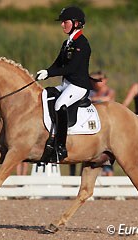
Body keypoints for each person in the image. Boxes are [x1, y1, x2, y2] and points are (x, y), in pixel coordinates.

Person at [36, 6, 92, 162]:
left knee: (60, 104)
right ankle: (47, 135)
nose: (62, 25)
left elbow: (71, 67)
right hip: (67, 84)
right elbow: (58, 64)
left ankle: (60, 147)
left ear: (76, 23)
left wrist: (51, 73)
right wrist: (46, 72)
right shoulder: (67, 43)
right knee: (45, 93)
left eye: (64, 22)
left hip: (79, 86)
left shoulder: (82, 43)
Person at [90, 71, 115, 176]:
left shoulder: (109, 91)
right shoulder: (92, 92)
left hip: (107, 128)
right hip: (96, 127)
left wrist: (93, 99)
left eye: (100, 79)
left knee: (107, 158)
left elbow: (108, 99)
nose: (98, 82)